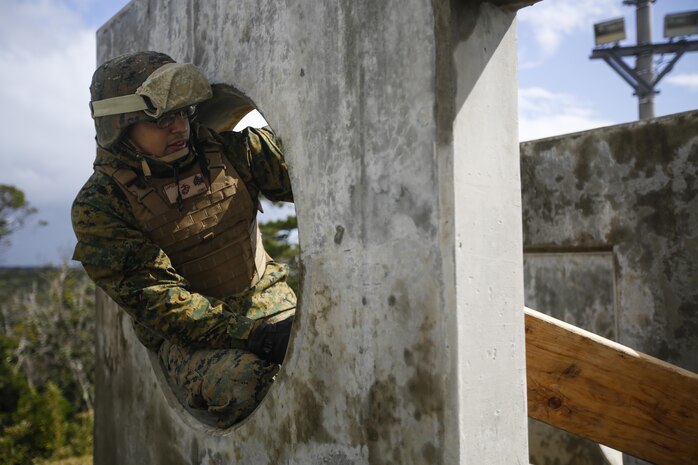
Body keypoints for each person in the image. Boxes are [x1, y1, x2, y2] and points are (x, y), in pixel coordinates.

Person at [72, 51, 296, 427]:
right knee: (246, 382)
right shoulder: (101, 206)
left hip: (270, 302)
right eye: (159, 118)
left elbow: (323, 178)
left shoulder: (231, 151)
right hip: (195, 341)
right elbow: (162, 304)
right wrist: (257, 337)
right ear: (119, 127)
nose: (178, 128)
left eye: (182, 112)